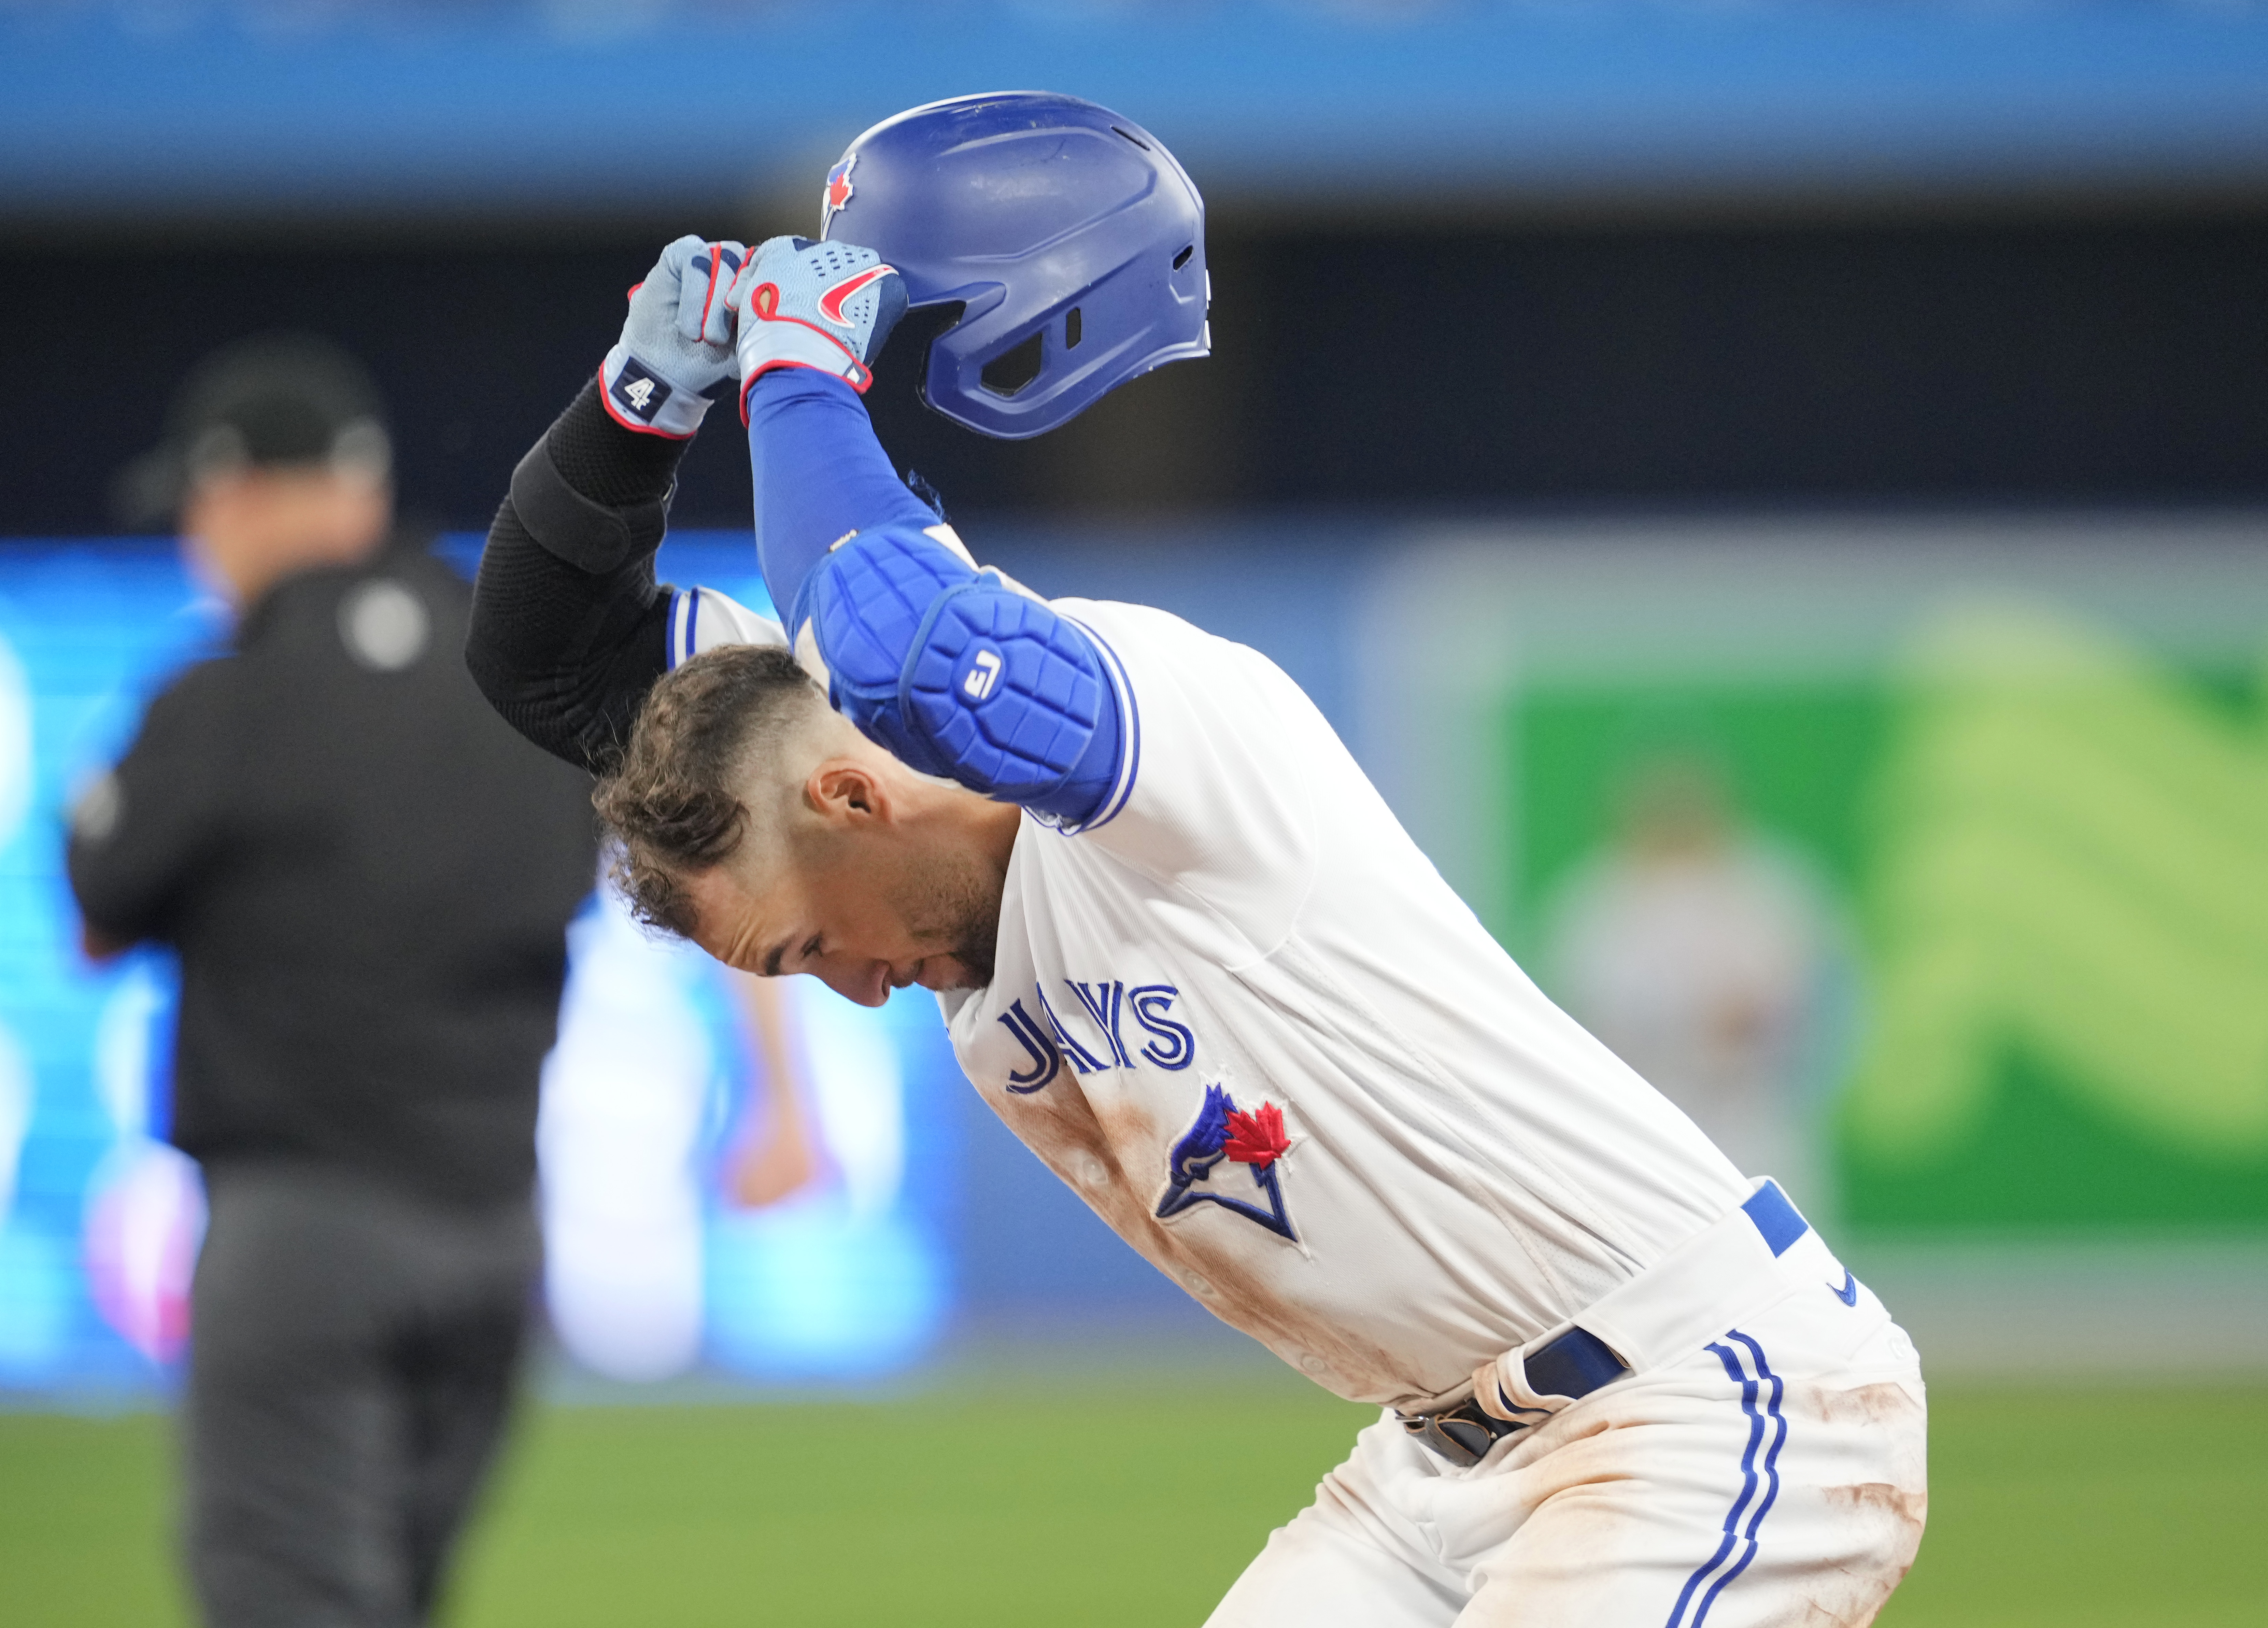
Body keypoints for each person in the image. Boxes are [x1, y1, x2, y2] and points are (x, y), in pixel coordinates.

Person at [467, 203, 1926, 1622]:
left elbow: (905, 650)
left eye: (805, 946)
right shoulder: (801, 748)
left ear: (852, 800)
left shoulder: (1158, 740)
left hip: (1699, 1395)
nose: (848, 991)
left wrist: (796, 371)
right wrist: (636, 398)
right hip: (1431, 1466)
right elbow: (536, 662)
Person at [69, 335, 596, 1628]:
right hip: (495, 1241)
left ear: (236, 492)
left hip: (303, 1236)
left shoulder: (223, 697)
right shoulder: (514, 676)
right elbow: (664, 848)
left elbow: (97, 913)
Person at [1545, 748, 1854, 1225]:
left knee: (1786, 1274)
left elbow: (1822, 1007)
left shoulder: (1773, 892)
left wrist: (1753, 1023)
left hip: (1757, 1129)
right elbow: (1575, 1025)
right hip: (1639, 1139)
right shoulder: (1594, 906)